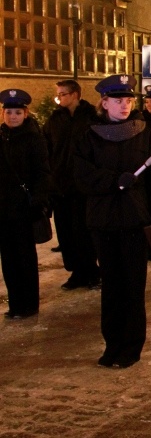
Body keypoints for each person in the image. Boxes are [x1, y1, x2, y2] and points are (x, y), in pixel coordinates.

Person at [74, 74, 151, 368]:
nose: (124, 105)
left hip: (133, 219)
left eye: (128, 100)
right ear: (105, 103)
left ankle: (131, 346)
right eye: (118, 100)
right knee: (112, 285)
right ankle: (112, 343)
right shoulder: (89, 136)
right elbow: (81, 174)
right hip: (103, 220)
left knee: (132, 284)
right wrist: (114, 181)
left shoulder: (143, 133)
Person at [42, 80, 101, 290]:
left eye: (62, 94)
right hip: (61, 187)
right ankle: (76, 272)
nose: (59, 99)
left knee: (84, 232)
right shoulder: (55, 119)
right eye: (57, 95)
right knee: (66, 233)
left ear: (75, 94)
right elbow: (46, 148)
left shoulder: (91, 117)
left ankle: (91, 271)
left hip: (83, 187)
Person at [0, 89, 51, 319]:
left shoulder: (34, 138)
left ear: (26, 113)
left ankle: (29, 304)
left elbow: (42, 173)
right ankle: (15, 304)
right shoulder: (1, 137)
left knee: (25, 257)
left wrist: (38, 200)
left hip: (23, 208)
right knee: (8, 259)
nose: (12, 117)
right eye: (9, 112)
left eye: (17, 112)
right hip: (3, 208)